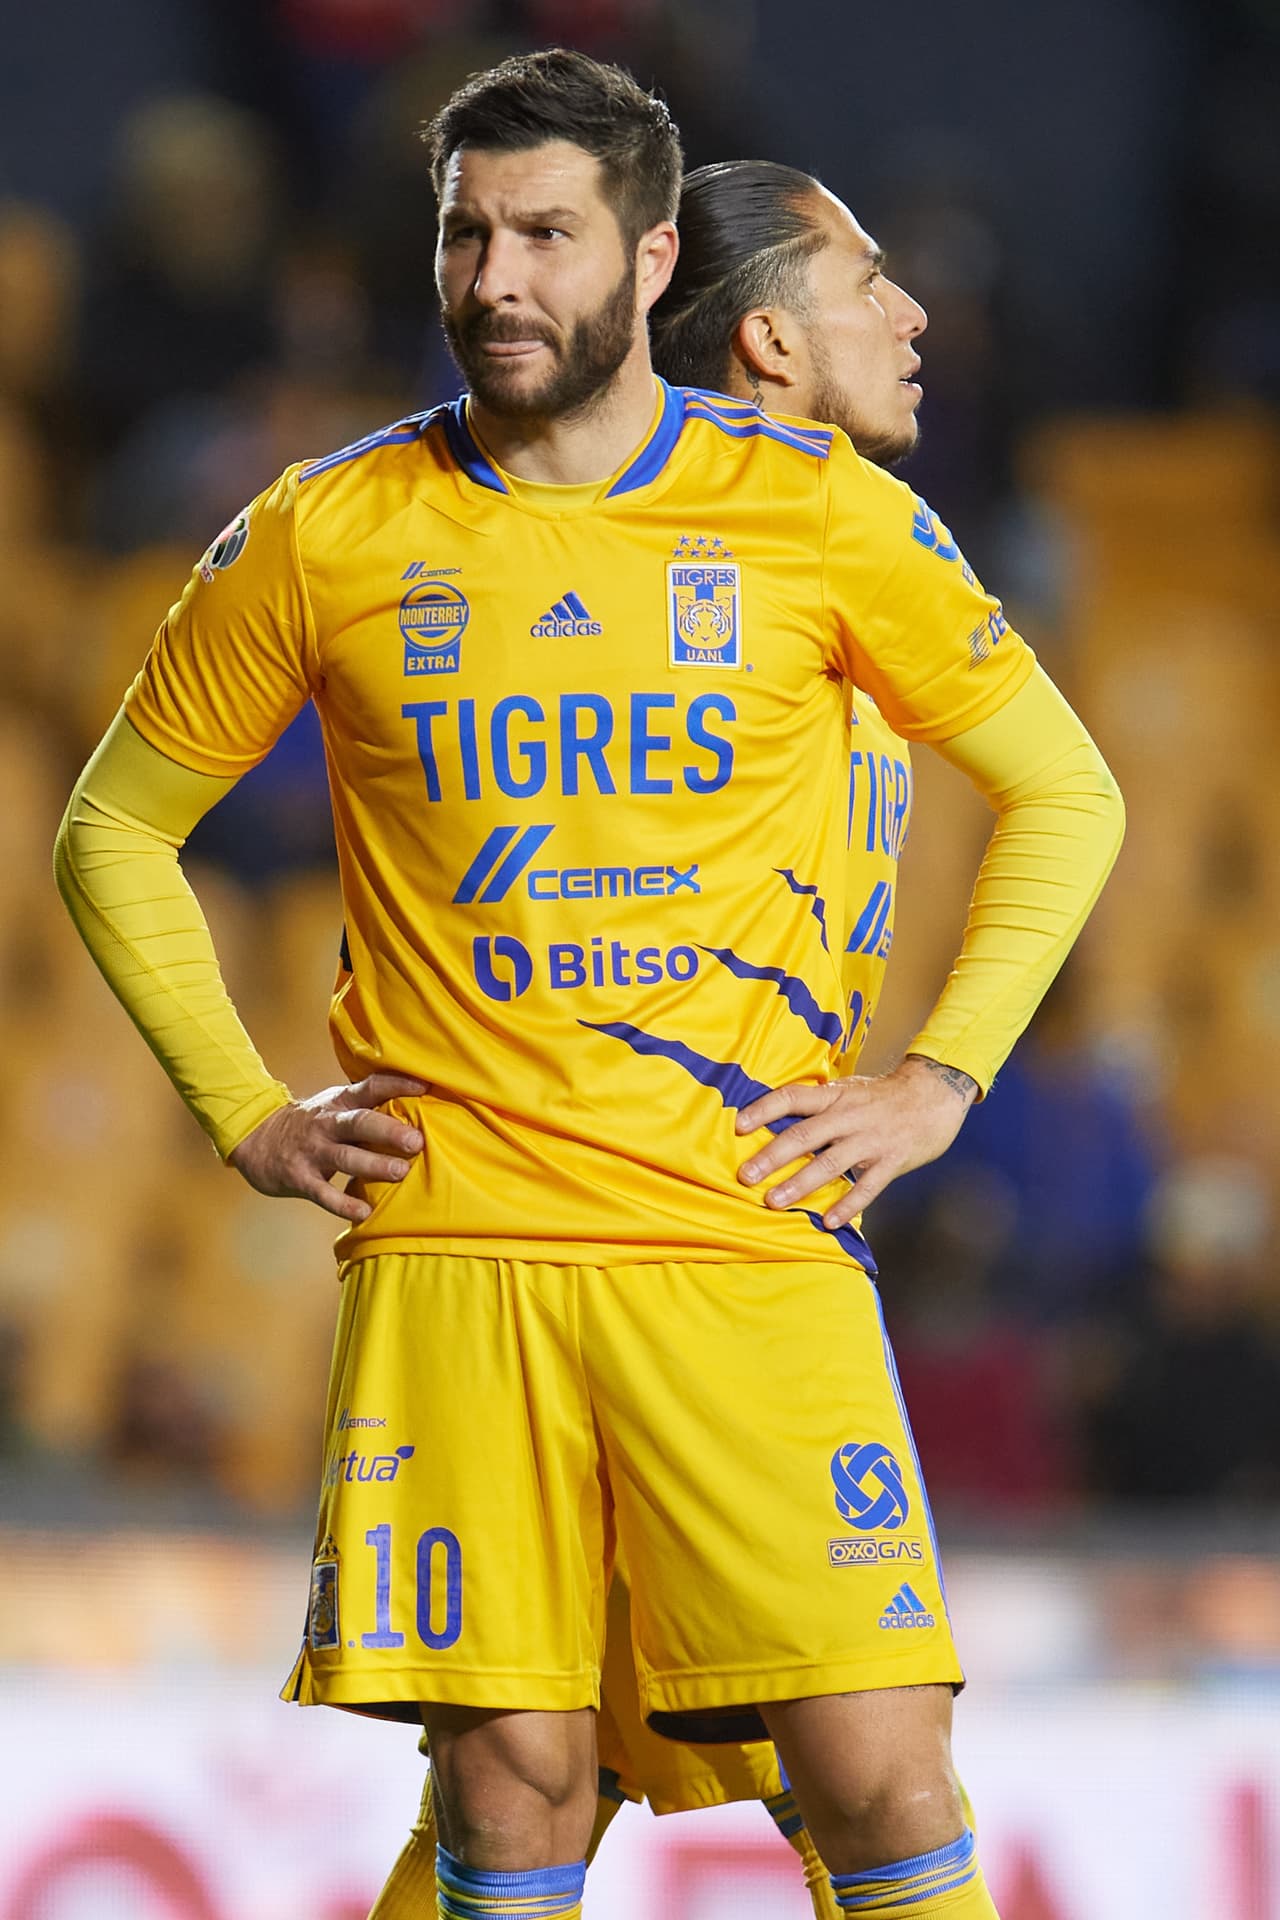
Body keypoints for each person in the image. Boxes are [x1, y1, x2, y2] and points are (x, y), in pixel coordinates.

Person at [56, 50, 1124, 1920]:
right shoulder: (329, 529)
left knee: (880, 1773)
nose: (493, 278)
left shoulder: (814, 513)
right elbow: (110, 831)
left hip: (739, 1229)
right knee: (517, 1796)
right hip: (462, 1247)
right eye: (466, 233)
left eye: (546, 234)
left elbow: (1067, 786)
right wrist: (240, 1108)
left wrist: (941, 1081)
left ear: (644, 262)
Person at [370, 154, 958, 1920]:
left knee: (550, 1794)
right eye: (873, 281)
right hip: (645, 1244)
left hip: (721, 1230)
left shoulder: (836, 563)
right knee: (841, 1773)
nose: (915, 314)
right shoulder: (654, 578)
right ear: (770, 338)